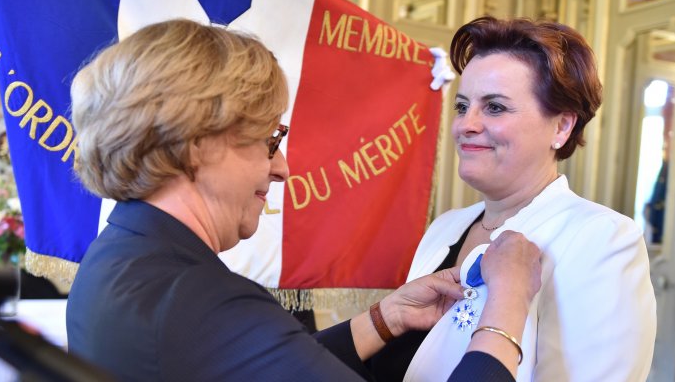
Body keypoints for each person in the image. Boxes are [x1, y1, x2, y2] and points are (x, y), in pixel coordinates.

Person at [65, 19, 542, 381]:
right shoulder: (196, 297)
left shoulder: (124, 253)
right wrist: (506, 307)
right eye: (268, 140)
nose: (282, 167)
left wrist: (384, 318)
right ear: (198, 143)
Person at [367, 17, 656, 381]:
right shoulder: (446, 227)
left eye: (495, 107)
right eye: (461, 106)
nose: (465, 125)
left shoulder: (602, 239)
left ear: (561, 127)